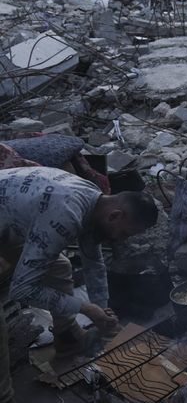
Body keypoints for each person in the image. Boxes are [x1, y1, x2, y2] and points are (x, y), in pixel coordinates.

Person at [0, 166, 158, 403]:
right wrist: (85, 308)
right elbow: (22, 290)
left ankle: (67, 339)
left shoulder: (94, 200)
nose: (120, 240)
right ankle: (5, 396)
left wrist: (101, 311)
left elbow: (93, 259)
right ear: (114, 215)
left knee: (60, 266)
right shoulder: (65, 213)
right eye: (124, 233)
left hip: (7, 223)